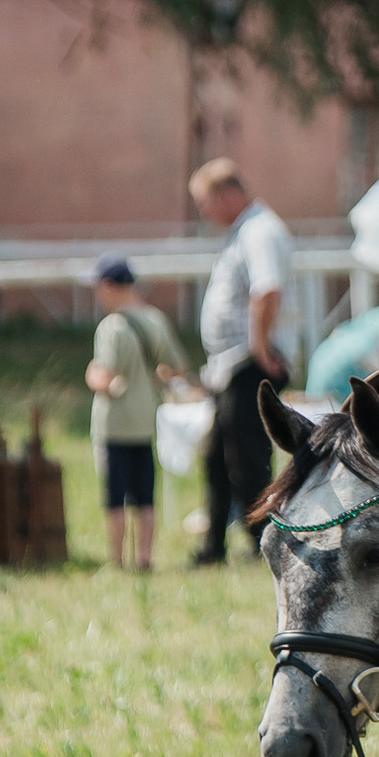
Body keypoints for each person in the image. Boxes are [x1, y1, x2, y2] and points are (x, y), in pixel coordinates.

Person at [189, 157, 292, 565]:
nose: (203, 212)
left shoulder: (260, 231)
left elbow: (267, 290)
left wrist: (260, 347)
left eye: (204, 202)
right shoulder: (245, 231)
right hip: (231, 367)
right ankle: (213, 546)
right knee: (218, 458)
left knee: (248, 457)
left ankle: (263, 543)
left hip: (250, 364)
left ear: (226, 195)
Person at [82, 254, 188, 571]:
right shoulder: (155, 320)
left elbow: (105, 377)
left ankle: (117, 559)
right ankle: (145, 557)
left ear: (109, 286)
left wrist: (91, 374)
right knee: (145, 497)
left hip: (114, 424)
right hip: (145, 421)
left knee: (116, 497)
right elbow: (176, 366)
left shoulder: (111, 327)